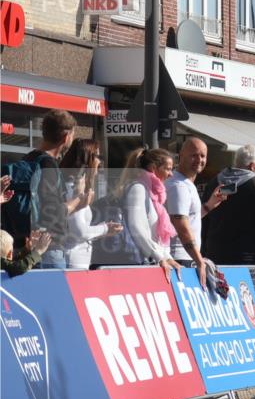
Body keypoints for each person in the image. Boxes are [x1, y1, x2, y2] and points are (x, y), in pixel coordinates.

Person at [6, 110, 80, 267]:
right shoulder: (48, 165)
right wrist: (77, 201)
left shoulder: (28, 159)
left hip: (23, 247)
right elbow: (52, 212)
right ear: (66, 137)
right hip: (47, 250)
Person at [202, 145, 255, 265]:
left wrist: (203, 252)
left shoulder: (214, 183)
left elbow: (204, 221)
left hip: (214, 257)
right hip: (248, 260)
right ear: (253, 166)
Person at [166, 138, 226, 283]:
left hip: (185, 257)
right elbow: (181, 225)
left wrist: (209, 205)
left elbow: (189, 219)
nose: (199, 160)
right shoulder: (179, 186)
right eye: (194, 155)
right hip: (179, 259)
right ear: (181, 156)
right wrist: (199, 260)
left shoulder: (186, 183)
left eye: (202, 156)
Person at [59, 139, 123, 269]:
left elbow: (80, 231)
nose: (100, 162)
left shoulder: (74, 187)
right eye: (98, 156)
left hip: (77, 259)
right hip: (73, 261)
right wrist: (105, 229)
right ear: (87, 159)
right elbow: (79, 232)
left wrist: (102, 230)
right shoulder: (73, 189)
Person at [119, 148, 182, 278]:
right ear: (153, 168)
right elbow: (137, 228)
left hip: (149, 262)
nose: (171, 174)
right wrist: (159, 256)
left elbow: (154, 236)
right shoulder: (138, 189)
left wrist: (167, 257)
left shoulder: (153, 194)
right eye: (168, 169)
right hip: (137, 264)